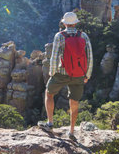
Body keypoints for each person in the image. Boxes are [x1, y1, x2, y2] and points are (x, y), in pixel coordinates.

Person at [38, 11, 93, 139]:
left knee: (49, 93)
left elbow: (54, 56)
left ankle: (50, 123)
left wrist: (52, 72)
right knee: (74, 102)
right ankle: (72, 131)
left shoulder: (60, 36)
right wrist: (87, 75)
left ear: (65, 24)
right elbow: (90, 56)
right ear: (75, 23)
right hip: (79, 74)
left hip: (61, 73)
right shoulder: (83, 36)